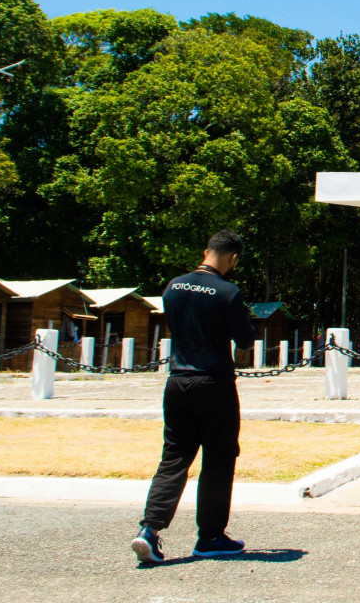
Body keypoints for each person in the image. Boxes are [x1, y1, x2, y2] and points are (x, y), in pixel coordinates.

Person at [133, 229, 254, 564]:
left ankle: (149, 529)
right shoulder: (228, 292)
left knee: (173, 457)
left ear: (206, 250)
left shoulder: (173, 286)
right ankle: (210, 537)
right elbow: (244, 339)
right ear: (232, 258)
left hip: (177, 382)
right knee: (218, 460)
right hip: (214, 383)